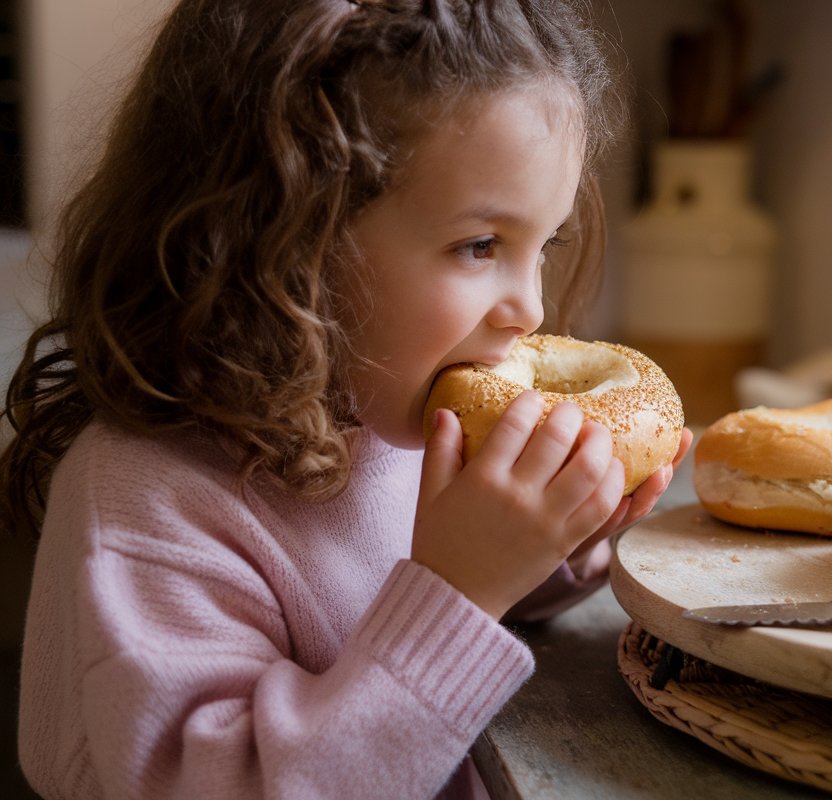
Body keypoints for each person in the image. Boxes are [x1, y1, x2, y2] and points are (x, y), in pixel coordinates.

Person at [0, 0, 691, 797]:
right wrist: (460, 593)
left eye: (547, 244)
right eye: (480, 246)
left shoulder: (386, 422)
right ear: (283, 239)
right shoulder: (149, 506)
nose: (530, 309)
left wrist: (550, 544)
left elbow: (450, 590)